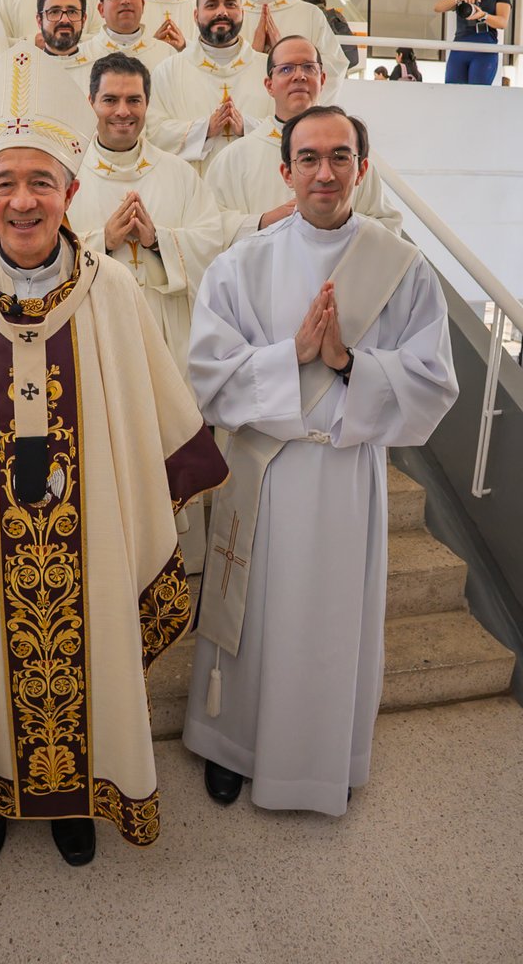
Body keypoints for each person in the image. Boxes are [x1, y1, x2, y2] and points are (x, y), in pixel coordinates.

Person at [0, 46, 227, 870]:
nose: (23, 201)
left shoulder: (114, 291)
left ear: (72, 192)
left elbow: (153, 418)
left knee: (90, 652)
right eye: (4, 183)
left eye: (41, 182)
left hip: (90, 541)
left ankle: (77, 798)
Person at [182, 105, 458, 816]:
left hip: (344, 474)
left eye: (341, 157)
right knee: (252, 620)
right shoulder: (241, 264)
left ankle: (322, 756)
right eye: (309, 158)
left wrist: (349, 364)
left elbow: (433, 382)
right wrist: (294, 355)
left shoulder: (403, 270)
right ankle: (232, 746)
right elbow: (208, 376)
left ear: (361, 169)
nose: (325, 173)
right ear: (286, 170)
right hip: (266, 473)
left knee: (329, 627)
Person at [69, 53, 222, 376]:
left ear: (147, 104)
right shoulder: (67, 176)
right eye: (110, 100)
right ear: (90, 104)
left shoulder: (179, 174)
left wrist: (158, 241)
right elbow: (45, 253)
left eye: (134, 100)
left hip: (165, 336)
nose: (123, 111)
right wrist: (102, 241)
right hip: (93, 332)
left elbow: (212, 246)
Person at [205, 35, 402, 247]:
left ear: (322, 80)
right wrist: (264, 221)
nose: (299, 76)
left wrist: (338, 220)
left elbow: (389, 228)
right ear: (269, 85)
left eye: (309, 68)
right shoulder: (233, 158)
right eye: (286, 69)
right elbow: (208, 229)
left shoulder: (349, 156)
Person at [147, 0, 273, 176]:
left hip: (254, 184)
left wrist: (246, 126)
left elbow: (287, 129)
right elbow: (153, 134)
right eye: (211, 5)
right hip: (193, 186)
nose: (221, 12)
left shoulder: (268, 70)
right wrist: (204, 129)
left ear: (242, 13)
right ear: (196, 15)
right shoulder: (167, 71)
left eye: (230, 4)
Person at [434, 0, 511, 86]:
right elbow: (437, 7)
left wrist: (483, 16)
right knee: (453, 92)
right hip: (459, 47)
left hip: (484, 49)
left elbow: (503, 23)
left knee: (477, 94)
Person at [83, 0, 177, 72]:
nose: (125, 1)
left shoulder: (168, 54)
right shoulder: (83, 55)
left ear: (143, 4)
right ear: (101, 9)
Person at [27, 0, 95, 90]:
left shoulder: (100, 72)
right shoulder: (25, 74)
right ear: (39, 21)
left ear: (83, 20)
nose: (64, 20)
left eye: (72, 12)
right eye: (54, 12)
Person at [302, 0, 359, 70]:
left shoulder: (310, 18)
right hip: (339, 70)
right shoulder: (336, 16)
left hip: (316, 69)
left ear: (307, 5)